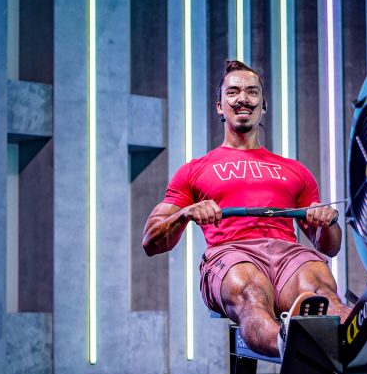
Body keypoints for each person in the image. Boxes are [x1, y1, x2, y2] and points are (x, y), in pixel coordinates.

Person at [141, 60, 353, 357]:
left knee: (318, 286)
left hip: (287, 255)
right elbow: (151, 241)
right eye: (233, 92)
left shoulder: (295, 171)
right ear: (220, 106)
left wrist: (327, 222)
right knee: (251, 291)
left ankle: (351, 335)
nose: (243, 98)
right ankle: (290, 346)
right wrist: (185, 213)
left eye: (252, 92)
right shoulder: (194, 170)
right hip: (230, 253)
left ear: (263, 105)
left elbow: (328, 247)